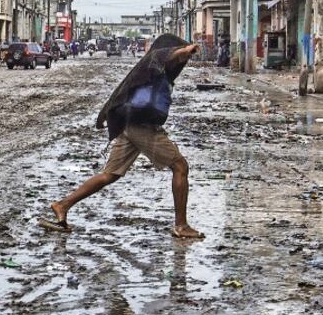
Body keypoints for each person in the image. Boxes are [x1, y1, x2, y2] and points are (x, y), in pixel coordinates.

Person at [40, 34, 205, 239]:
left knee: (110, 174)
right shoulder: (156, 61)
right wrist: (186, 50)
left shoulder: (148, 68)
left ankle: (62, 205)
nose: (184, 63)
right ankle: (181, 226)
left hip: (128, 123)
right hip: (141, 125)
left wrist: (104, 114)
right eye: (183, 59)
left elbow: (123, 89)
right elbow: (167, 55)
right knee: (180, 166)